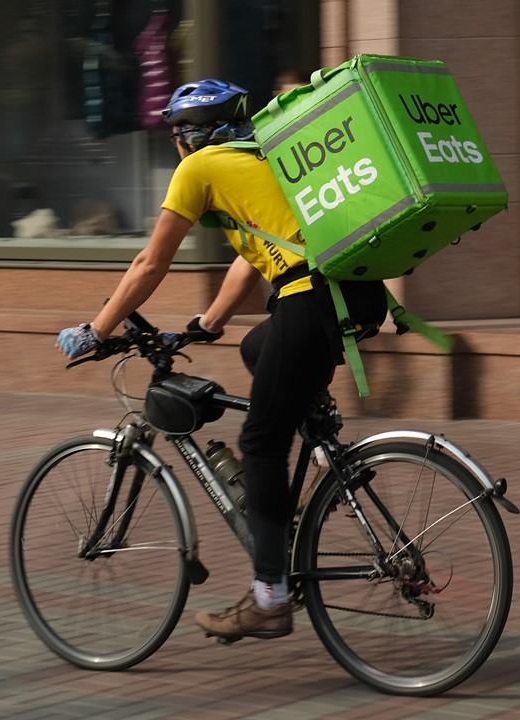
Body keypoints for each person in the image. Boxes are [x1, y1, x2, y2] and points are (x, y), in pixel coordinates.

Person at [56, 79, 387, 640]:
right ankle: (319, 448)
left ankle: (269, 598)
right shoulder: (266, 157)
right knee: (259, 348)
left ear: (189, 135)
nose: (177, 146)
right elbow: (260, 255)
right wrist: (208, 323)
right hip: (354, 294)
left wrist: (97, 328)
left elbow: (148, 263)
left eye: (176, 135)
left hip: (309, 302)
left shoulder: (201, 167)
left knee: (260, 444)